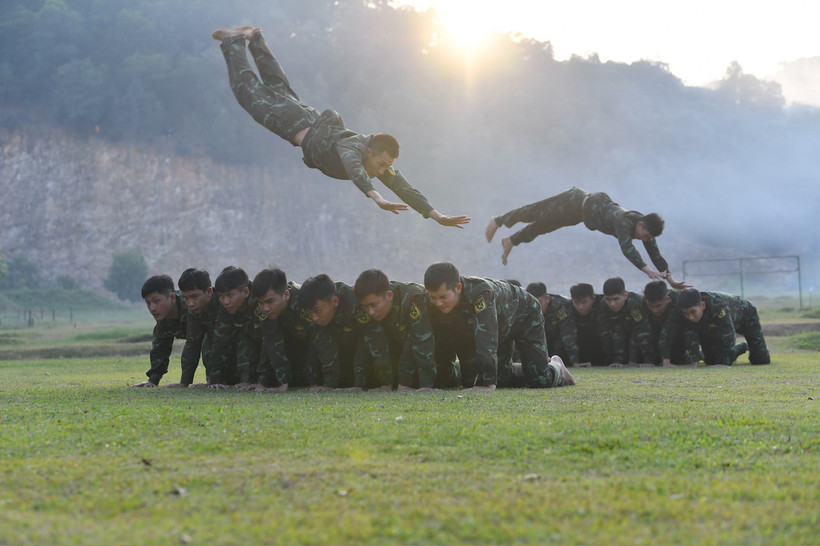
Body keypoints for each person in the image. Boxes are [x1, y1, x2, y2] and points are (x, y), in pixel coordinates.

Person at [212, 25, 470, 227]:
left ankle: (256, 38)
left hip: (305, 120)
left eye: (385, 167)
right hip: (292, 121)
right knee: (249, 94)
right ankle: (235, 41)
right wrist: (376, 197)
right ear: (370, 152)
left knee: (278, 86)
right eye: (381, 164)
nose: (381, 171)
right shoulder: (354, 149)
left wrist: (436, 215)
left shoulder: (373, 160)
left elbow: (403, 187)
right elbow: (353, 167)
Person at [485, 187, 687, 288]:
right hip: (574, 201)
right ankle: (499, 220)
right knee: (535, 212)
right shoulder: (624, 220)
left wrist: (670, 279)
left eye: (648, 238)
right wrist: (646, 269)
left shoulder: (644, 230)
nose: (645, 239)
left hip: (578, 215)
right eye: (645, 235)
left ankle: (511, 241)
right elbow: (627, 248)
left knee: (542, 227)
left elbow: (656, 255)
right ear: (641, 224)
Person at [423, 262, 575, 391]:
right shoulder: (434, 302)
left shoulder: (481, 293)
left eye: (443, 297)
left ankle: (556, 366)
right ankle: (510, 372)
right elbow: (442, 341)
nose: (438, 303)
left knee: (540, 381)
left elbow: (486, 337)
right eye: (433, 297)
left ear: (458, 287)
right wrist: (432, 383)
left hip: (524, 315)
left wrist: (487, 384)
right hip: (501, 325)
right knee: (491, 380)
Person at [354, 268, 442, 390]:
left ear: (389, 295)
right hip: (396, 355)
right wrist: (384, 383)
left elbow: (422, 341)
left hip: (430, 352)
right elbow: (374, 343)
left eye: (374, 305)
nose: (370, 312)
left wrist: (426, 386)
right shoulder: (364, 307)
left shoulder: (412, 297)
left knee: (443, 378)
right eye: (365, 306)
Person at [299, 274, 373, 390]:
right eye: (310, 313)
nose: (314, 318)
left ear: (335, 301)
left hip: (366, 361)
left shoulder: (355, 304)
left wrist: (359, 385)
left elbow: (369, 342)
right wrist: (323, 385)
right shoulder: (318, 318)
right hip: (341, 364)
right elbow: (324, 348)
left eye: (317, 311)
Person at [171, 268, 239, 388]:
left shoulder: (223, 302)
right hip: (219, 348)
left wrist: (215, 381)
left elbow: (221, 343)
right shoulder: (194, 310)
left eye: (194, 296)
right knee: (206, 342)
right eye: (186, 298)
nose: (190, 303)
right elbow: (192, 343)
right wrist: (184, 382)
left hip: (237, 345)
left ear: (209, 291)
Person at [250, 267, 312, 391]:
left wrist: (317, 382)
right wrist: (264, 382)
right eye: (261, 303)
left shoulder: (304, 302)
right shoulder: (258, 306)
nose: (265, 308)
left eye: (270, 301)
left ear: (286, 294)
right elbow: (270, 340)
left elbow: (319, 339)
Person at [677, 288, 771, 366]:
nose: (690, 317)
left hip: (746, 317)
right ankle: (740, 347)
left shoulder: (718, 305)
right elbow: (691, 336)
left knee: (761, 360)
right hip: (716, 324)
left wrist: (725, 363)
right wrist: (692, 361)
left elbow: (728, 335)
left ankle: (745, 346)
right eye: (686, 313)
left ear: (703, 305)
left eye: (693, 312)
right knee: (711, 360)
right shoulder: (689, 313)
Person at [130, 275, 189, 388]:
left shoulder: (191, 305)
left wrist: (212, 380)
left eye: (156, 301)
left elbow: (199, 344)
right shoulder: (163, 317)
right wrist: (152, 381)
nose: (152, 308)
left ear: (172, 297)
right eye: (148, 303)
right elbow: (160, 348)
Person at [214, 266, 263, 389]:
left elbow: (270, 341)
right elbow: (220, 341)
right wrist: (215, 380)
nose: (226, 301)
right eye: (221, 296)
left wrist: (263, 382)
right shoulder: (226, 307)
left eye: (230, 295)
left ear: (246, 292)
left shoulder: (260, 302)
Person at [598, 277, 654, 367]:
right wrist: (617, 360)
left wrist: (633, 360)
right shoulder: (603, 305)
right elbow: (608, 332)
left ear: (625, 296)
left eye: (616, 299)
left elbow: (641, 331)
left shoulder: (635, 303)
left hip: (640, 331)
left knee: (641, 334)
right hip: (620, 330)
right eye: (608, 299)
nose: (612, 304)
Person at [642, 280, 695, 367]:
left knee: (677, 358)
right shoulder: (642, 303)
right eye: (651, 306)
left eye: (658, 306)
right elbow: (641, 331)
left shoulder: (679, 300)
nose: (655, 310)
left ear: (667, 299)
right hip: (657, 331)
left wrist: (666, 360)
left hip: (678, 333)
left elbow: (669, 330)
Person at [557, 283, 608, 367]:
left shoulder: (603, 304)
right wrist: (575, 362)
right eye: (576, 303)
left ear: (593, 299)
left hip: (598, 341)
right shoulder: (567, 308)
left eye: (584, 302)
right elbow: (568, 335)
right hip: (578, 341)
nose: (580, 307)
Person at [525, 281, 570, 363]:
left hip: (561, 342)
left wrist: (575, 361)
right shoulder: (526, 309)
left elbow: (567, 334)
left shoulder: (560, 307)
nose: (535, 307)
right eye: (531, 303)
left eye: (539, 302)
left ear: (548, 299)